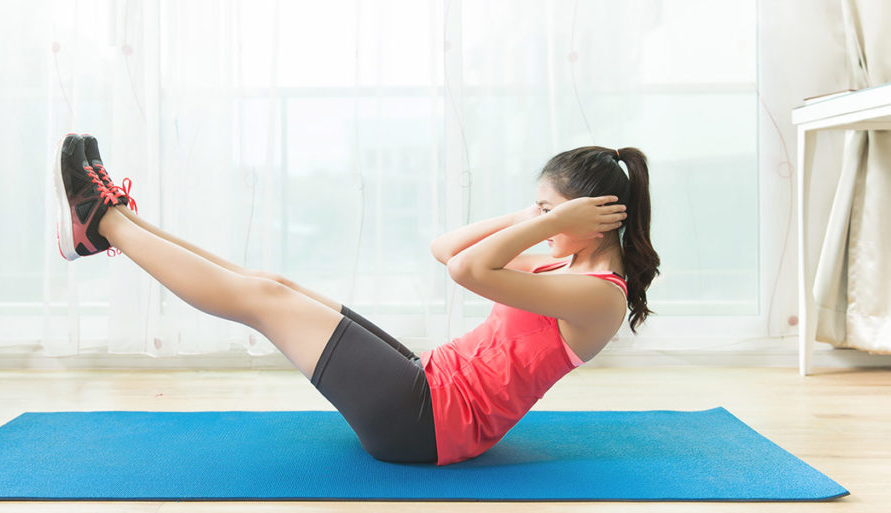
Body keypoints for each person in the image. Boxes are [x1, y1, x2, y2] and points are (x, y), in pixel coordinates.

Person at [54, 134, 660, 466]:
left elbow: (467, 270)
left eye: (553, 212)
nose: (540, 221)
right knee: (275, 284)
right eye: (541, 209)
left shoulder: (597, 298)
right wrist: (538, 213)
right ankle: (119, 221)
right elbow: (445, 247)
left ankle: (102, 224)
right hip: (429, 384)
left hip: (425, 426)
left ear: (599, 219)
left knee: (262, 299)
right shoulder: (561, 260)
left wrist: (551, 217)